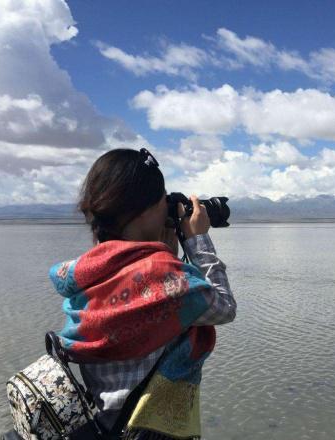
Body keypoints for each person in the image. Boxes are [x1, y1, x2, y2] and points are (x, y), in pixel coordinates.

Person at [48, 148, 236, 439]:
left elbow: (149, 288)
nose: (166, 211)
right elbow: (223, 306)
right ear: (144, 210)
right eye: (163, 201)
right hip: (150, 430)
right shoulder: (162, 276)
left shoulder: (85, 275)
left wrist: (165, 255)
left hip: (100, 426)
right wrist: (198, 240)